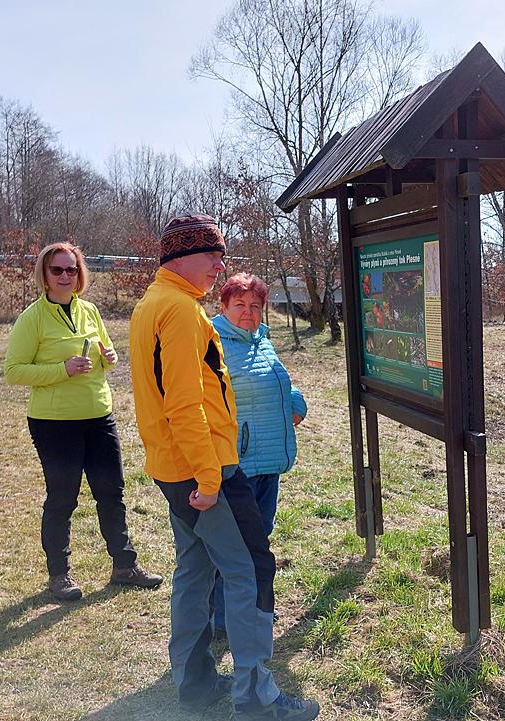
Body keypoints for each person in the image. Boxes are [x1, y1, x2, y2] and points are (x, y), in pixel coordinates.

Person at [129, 214, 319, 721]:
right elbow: (184, 403)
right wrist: (211, 478)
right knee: (252, 569)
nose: (220, 263)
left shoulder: (154, 303)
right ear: (178, 257)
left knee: (194, 567)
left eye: (221, 252)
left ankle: (193, 684)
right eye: (211, 253)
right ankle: (258, 698)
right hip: (204, 470)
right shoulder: (180, 312)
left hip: (175, 467)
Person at [4, 242, 162, 602]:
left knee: (112, 492)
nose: (65, 276)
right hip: (54, 422)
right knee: (63, 497)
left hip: (99, 415)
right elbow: (13, 371)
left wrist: (109, 356)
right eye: (57, 270)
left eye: (71, 270)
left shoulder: (89, 310)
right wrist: (62, 370)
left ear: (80, 274)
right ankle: (59, 575)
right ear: (44, 275)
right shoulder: (33, 318)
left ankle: (124, 565)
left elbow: (109, 356)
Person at [208, 273, 306, 638]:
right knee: (233, 544)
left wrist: (296, 401)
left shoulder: (261, 341)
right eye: (240, 305)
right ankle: (223, 618)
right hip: (236, 463)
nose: (248, 313)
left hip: (267, 460)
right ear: (223, 306)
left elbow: (279, 380)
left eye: (255, 306)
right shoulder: (213, 343)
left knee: (259, 536)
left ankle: (251, 608)